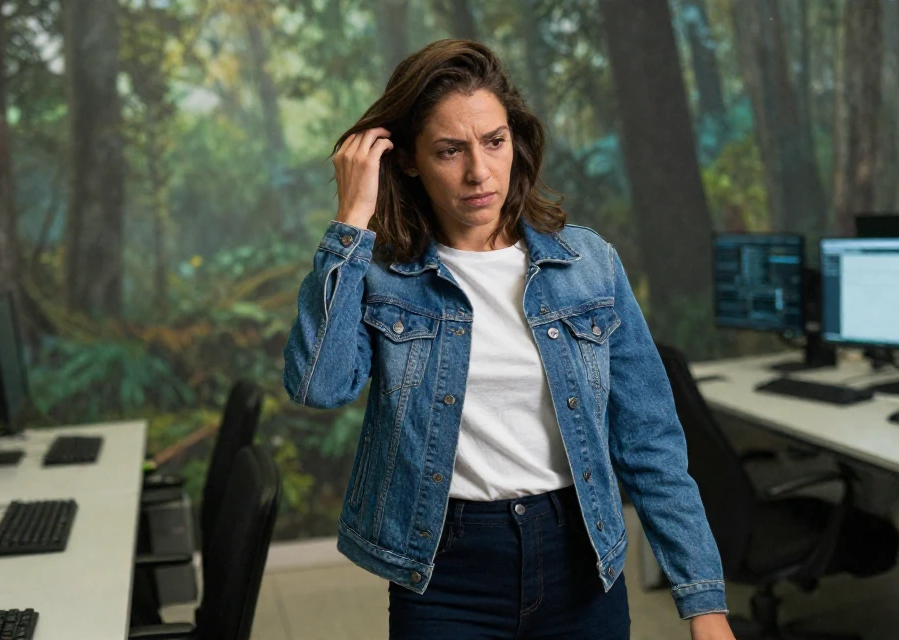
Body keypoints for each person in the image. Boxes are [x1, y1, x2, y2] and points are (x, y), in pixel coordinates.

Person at [282, 39, 735, 640]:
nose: (479, 172)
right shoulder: (382, 275)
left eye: (494, 142)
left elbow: (650, 441)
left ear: (514, 140)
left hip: (581, 558)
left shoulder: (588, 265)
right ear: (410, 159)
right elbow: (319, 385)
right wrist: (350, 224)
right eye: (449, 150)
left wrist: (704, 605)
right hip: (445, 572)